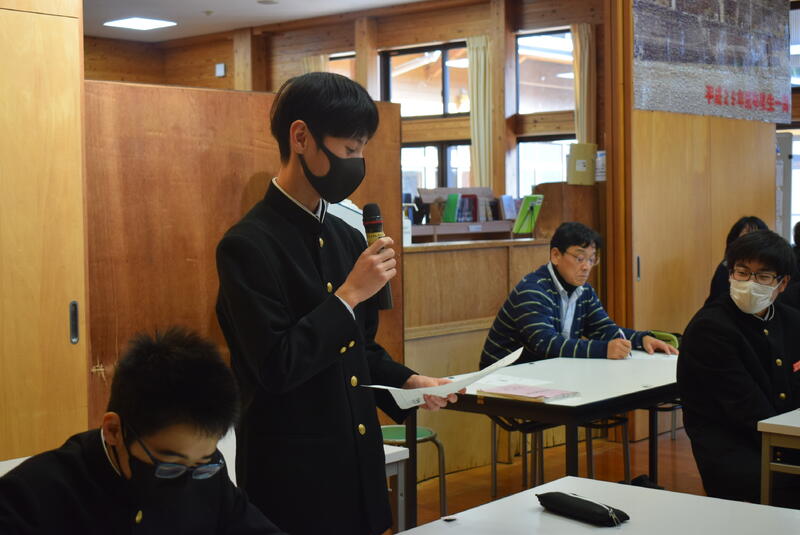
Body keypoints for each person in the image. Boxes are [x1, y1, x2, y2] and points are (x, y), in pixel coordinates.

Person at [215, 72, 456, 535]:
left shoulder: (347, 237)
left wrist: (410, 382)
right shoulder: (247, 246)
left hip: (356, 465)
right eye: (348, 149)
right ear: (301, 137)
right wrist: (349, 295)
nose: (357, 163)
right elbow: (276, 366)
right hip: (292, 479)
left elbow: (359, 351)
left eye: (362, 149)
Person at [0, 327, 287, 534]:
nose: (189, 480)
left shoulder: (208, 473)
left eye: (202, 462)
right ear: (114, 430)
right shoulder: (28, 500)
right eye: (170, 465)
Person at [679, 230, 800, 506]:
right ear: (730, 274)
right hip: (735, 449)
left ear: (782, 283)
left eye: (763, 276)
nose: (750, 283)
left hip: (781, 438)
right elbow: (747, 410)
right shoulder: (711, 328)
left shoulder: (792, 321)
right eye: (742, 272)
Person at [480, 222, 677, 368]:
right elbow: (546, 344)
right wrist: (604, 350)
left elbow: (603, 329)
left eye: (592, 259)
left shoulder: (585, 291)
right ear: (556, 255)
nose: (586, 267)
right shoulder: (533, 290)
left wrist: (640, 340)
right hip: (502, 377)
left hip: (544, 373)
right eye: (580, 258)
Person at [705, 216, 768, 305]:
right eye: (746, 238)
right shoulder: (725, 268)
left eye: (756, 238)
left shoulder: (772, 268)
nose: (752, 243)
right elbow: (716, 302)